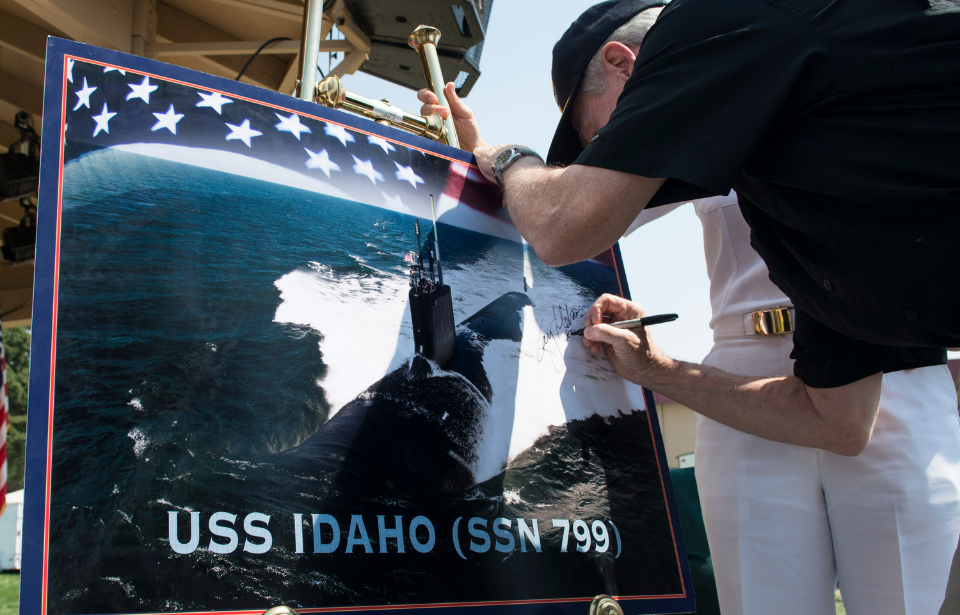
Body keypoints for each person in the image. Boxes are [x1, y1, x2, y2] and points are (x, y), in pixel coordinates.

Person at [416, 0, 960, 609]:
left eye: (596, 131)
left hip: (888, 366)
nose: (604, 147)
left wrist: (511, 157)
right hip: (757, 372)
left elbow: (564, 218)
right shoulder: (748, 131)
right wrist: (477, 154)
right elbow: (566, 214)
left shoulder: (744, 35)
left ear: (625, 65)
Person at [625, 192, 960, 614]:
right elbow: (596, 207)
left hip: (890, 365)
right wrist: (516, 165)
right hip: (740, 384)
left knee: (914, 603)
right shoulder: (706, 125)